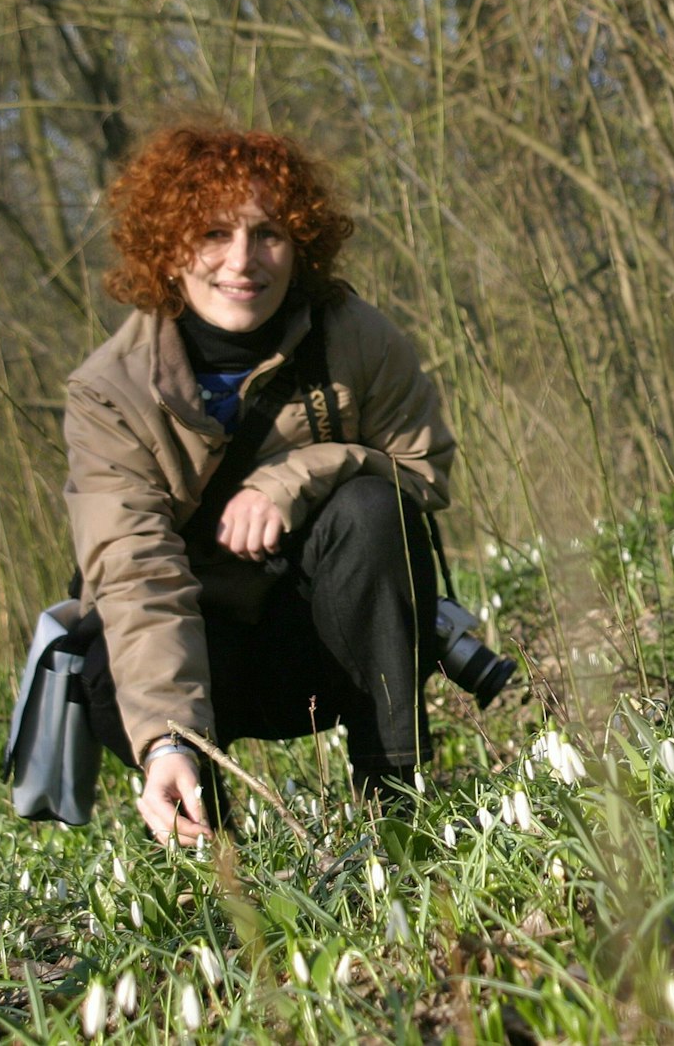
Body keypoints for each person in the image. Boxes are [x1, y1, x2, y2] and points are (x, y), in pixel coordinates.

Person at [63, 122, 460, 845]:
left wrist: (301, 472)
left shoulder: (355, 338)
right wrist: (166, 738)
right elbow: (134, 573)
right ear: (169, 246)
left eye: (268, 234)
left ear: (300, 241)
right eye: (213, 233)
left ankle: (398, 807)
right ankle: (215, 851)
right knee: (102, 661)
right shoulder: (110, 392)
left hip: (320, 639)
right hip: (196, 655)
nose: (242, 261)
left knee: (377, 508)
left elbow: (422, 469)